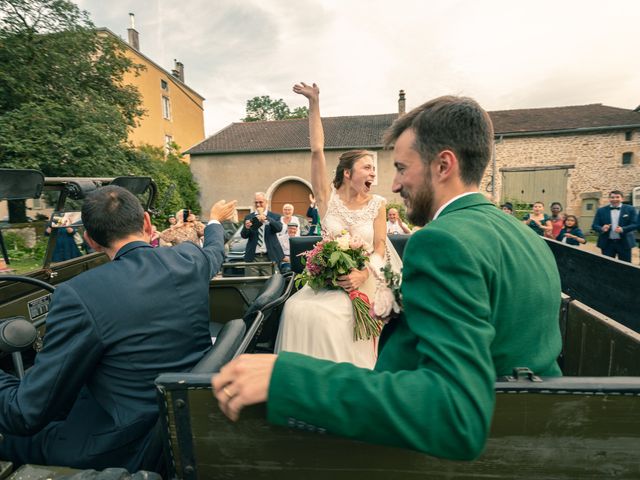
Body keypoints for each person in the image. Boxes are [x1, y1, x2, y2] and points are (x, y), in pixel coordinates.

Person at [213, 95, 562, 461]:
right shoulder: (525, 236)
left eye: (401, 167)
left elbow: (452, 412)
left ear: (443, 165)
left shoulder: (441, 241)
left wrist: (290, 380)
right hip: (529, 435)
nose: (394, 185)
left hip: (446, 455)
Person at [0, 185, 236, 471]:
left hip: (123, 446)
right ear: (147, 223)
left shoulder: (78, 295)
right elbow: (214, 251)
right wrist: (214, 221)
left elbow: (26, 413)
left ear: (91, 241)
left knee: (11, 437)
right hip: (176, 423)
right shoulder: (189, 258)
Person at [274, 82, 401, 369]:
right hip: (329, 283)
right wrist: (314, 103)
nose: (373, 173)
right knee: (296, 308)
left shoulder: (378, 203)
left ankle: (354, 382)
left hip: (368, 276)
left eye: (373, 168)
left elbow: (380, 245)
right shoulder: (326, 200)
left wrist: (360, 273)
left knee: (334, 318)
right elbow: (317, 150)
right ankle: (305, 383)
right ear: (347, 172)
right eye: (367, 167)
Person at [241, 192, 284, 275]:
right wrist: (247, 227)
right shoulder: (249, 217)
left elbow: (279, 228)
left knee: (271, 283)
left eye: (260, 202)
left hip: (270, 256)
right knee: (251, 283)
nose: (258, 205)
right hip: (253, 257)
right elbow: (244, 235)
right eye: (256, 202)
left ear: (266, 202)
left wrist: (267, 219)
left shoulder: (275, 216)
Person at [591, 190, 638, 262]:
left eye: (617, 197)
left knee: (625, 266)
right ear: (609, 199)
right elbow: (594, 225)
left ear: (622, 199)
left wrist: (623, 229)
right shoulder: (601, 210)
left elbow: (635, 224)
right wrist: (602, 228)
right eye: (612, 197)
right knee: (607, 265)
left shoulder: (630, 209)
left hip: (624, 242)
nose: (615, 199)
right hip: (607, 243)